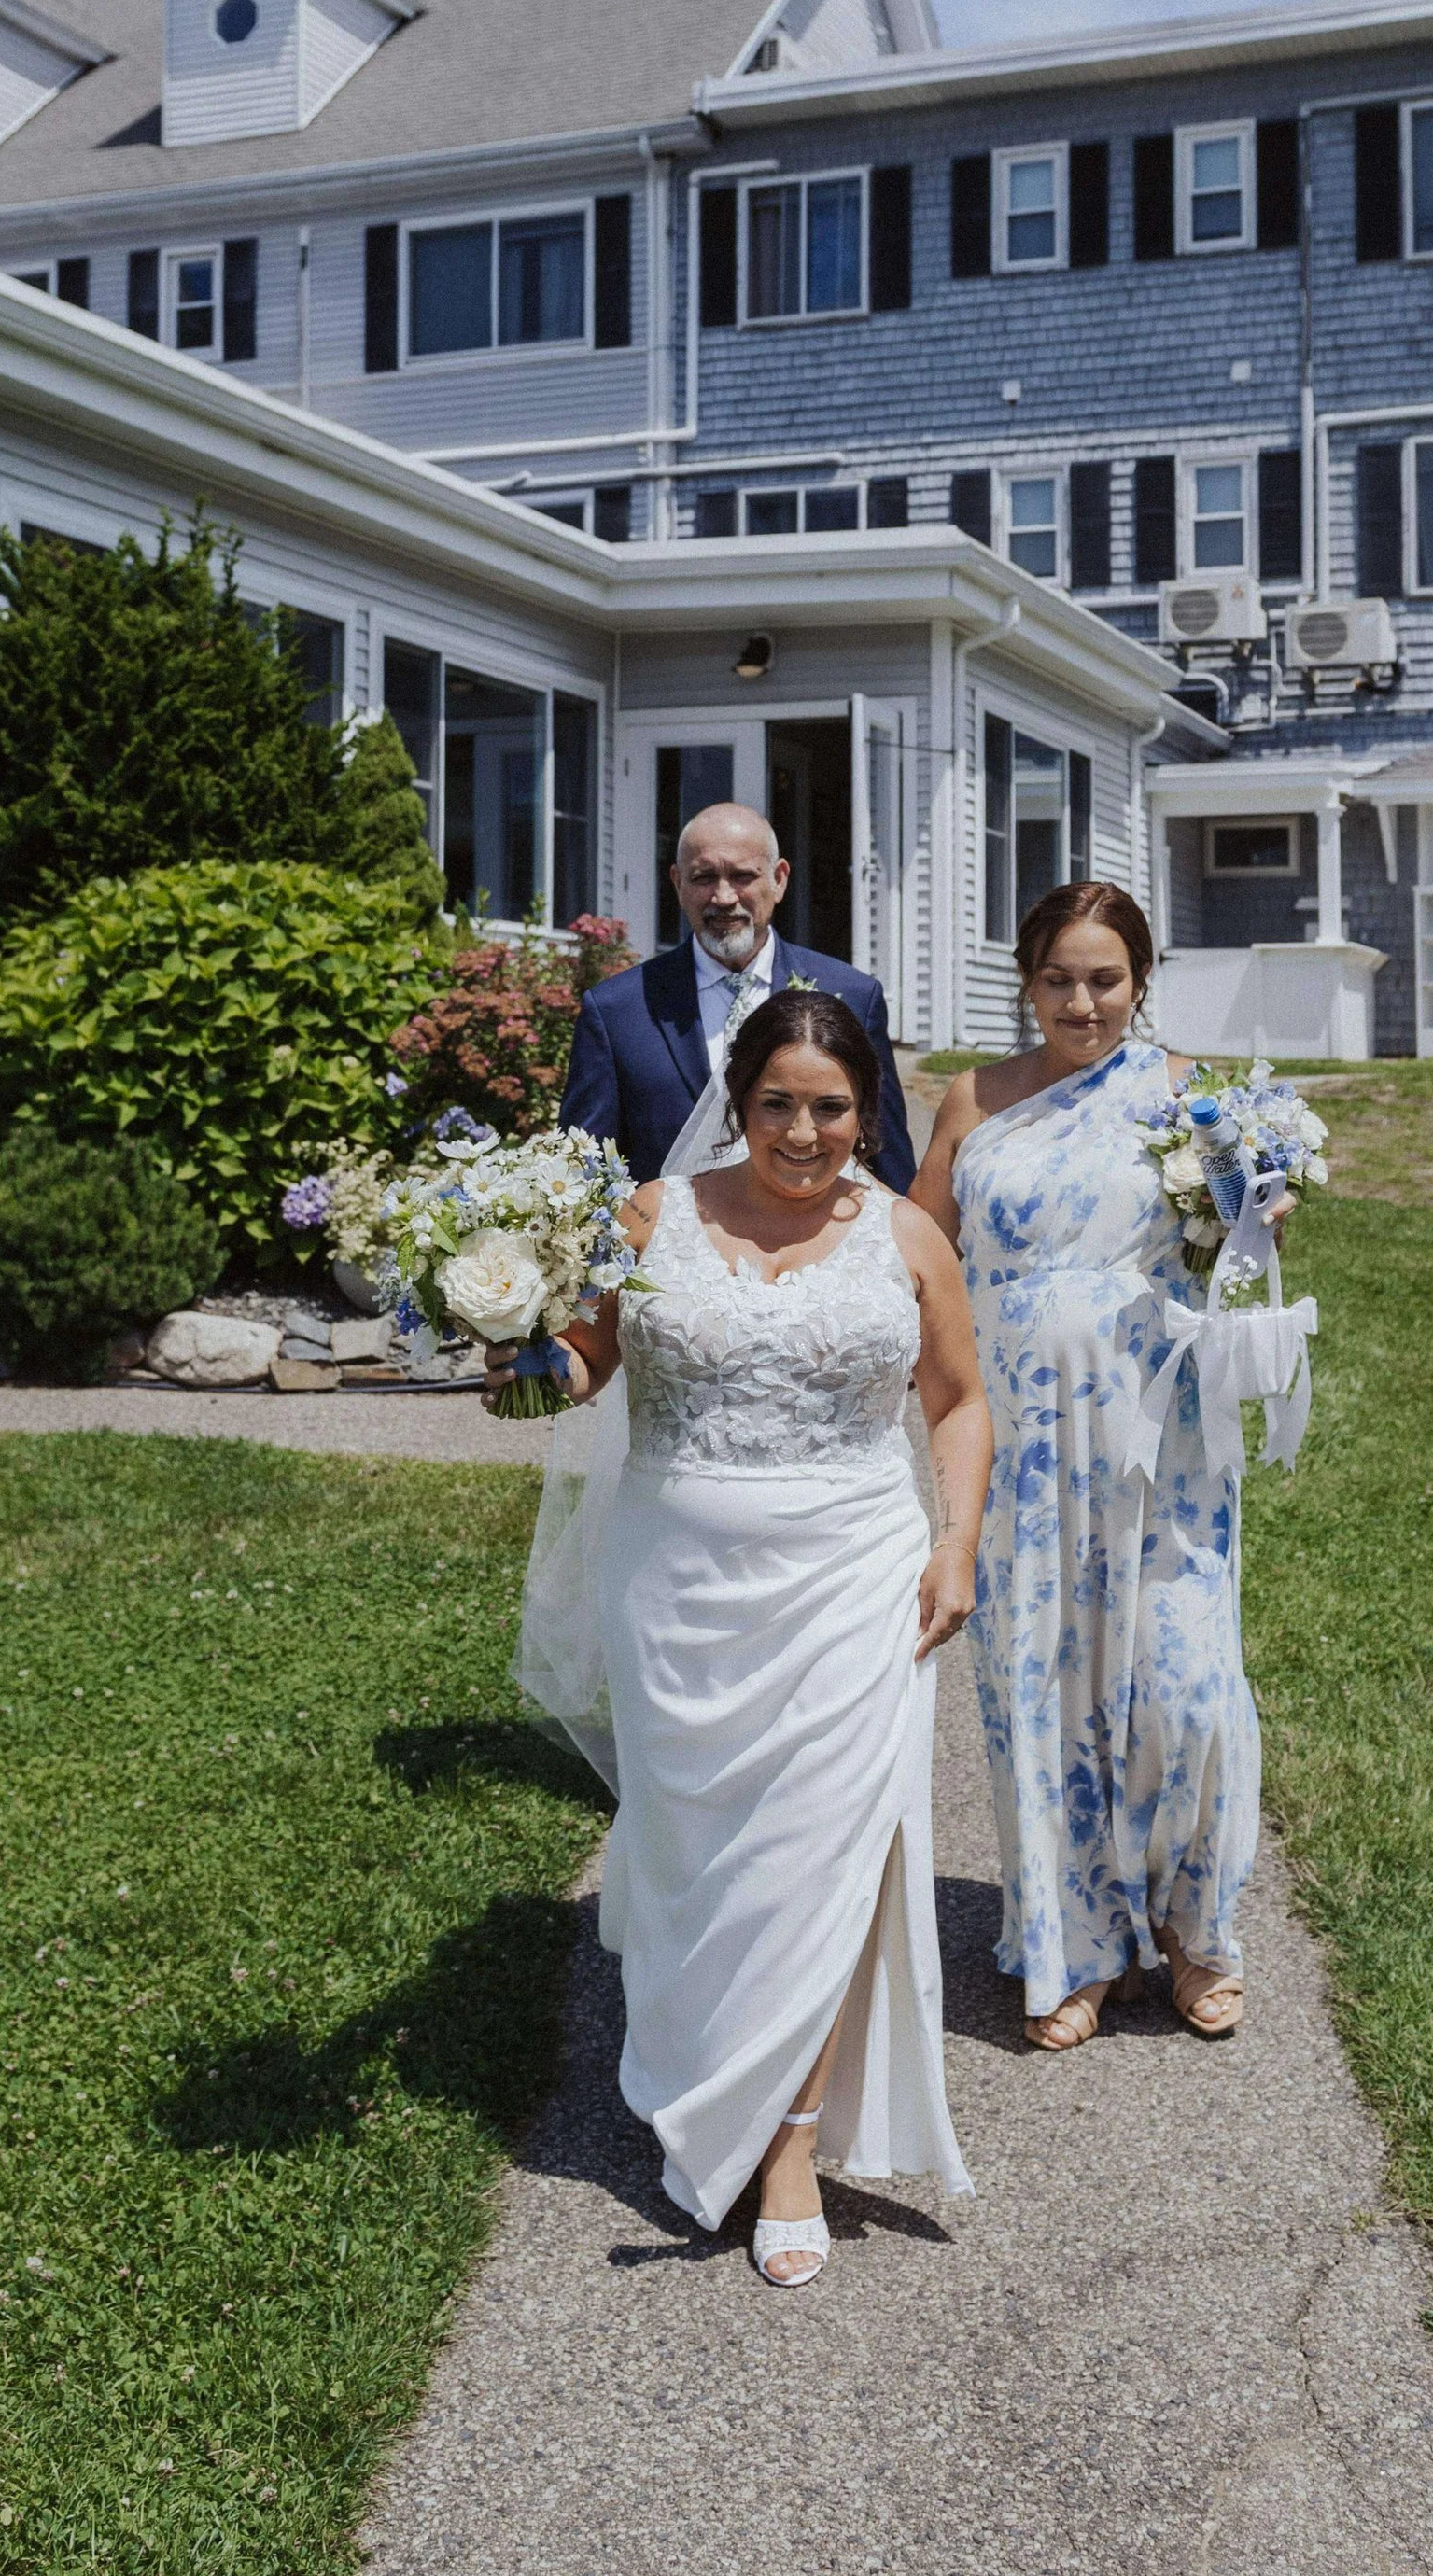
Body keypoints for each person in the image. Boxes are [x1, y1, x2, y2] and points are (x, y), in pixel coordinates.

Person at [506, 987, 989, 2288]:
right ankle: (698, 2067)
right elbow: (585, 1357)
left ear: (866, 1110)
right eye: (777, 1101)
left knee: (823, 1855)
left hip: (850, 1577)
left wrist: (956, 1540)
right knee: (691, 1851)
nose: (802, 1129)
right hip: (677, 1586)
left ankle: (785, 2144)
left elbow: (957, 1404)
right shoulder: (654, 1221)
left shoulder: (905, 1238)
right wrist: (511, 1343)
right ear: (739, 1098)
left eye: (830, 1106)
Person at [910, 881, 1265, 2054]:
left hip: (1158, 1443)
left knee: (1186, 1691)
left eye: (1104, 978)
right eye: (1058, 977)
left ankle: (1194, 1931)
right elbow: (919, 1254)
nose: (1082, 1001)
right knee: (1040, 1691)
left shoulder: (1189, 1102)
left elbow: (1242, 1251)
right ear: (1025, 981)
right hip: (1019, 1447)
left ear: (1140, 980)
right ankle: (1075, 1947)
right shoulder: (972, 1099)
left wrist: (1263, 1194)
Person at [560, 801, 916, 1188]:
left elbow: (886, 1155)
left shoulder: (853, 996)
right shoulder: (617, 1011)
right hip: (671, 1240)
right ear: (678, 883)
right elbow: (582, 1166)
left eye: (743, 876)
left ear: (779, 880)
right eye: (703, 877)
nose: (724, 896)